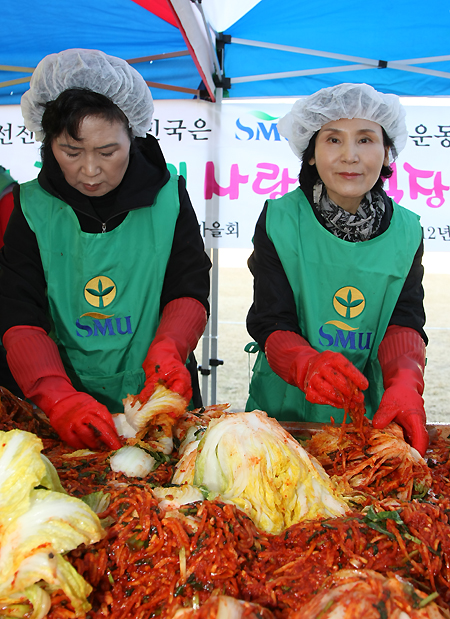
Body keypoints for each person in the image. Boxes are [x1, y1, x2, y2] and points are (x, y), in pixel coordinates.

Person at [0, 49, 211, 451]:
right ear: (49, 144)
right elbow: (19, 312)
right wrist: (56, 396)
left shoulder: (169, 195)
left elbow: (188, 285)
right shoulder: (30, 206)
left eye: (108, 151)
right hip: (62, 395)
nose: (90, 170)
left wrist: (171, 346)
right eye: (71, 152)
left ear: (132, 135)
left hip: (157, 392)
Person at [246, 83, 428, 456]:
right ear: (310, 153)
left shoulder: (408, 230)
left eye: (365, 140)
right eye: (333, 140)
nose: (350, 156)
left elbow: (404, 317)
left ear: (387, 150)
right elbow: (271, 318)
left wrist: (405, 379)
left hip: (370, 418)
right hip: (284, 411)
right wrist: (304, 363)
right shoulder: (280, 220)